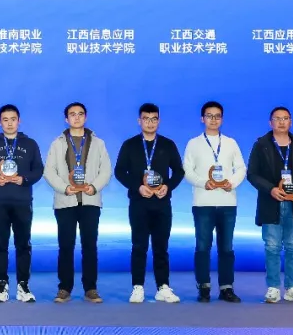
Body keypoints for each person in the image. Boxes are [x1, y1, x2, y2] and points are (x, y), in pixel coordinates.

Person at [114, 102, 184, 303]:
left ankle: (163, 287)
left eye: (154, 119)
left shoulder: (168, 145)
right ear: (139, 121)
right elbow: (120, 171)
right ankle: (138, 287)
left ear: (159, 121)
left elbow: (179, 171)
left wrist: (167, 187)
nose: (150, 123)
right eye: (146, 119)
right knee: (139, 246)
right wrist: (138, 187)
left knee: (161, 247)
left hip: (162, 203)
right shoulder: (130, 145)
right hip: (139, 203)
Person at [247, 107, 293, 304]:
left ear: (291, 122)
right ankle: (273, 287)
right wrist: (270, 189)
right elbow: (252, 174)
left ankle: (292, 287)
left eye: (285, 118)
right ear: (270, 122)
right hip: (271, 203)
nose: (281, 122)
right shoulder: (261, 145)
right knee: (272, 246)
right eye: (277, 119)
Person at [44, 102, 112, 303]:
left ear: (86, 117)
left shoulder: (98, 143)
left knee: (90, 246)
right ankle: (64, 288)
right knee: (66, 246)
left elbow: (106, 170)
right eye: (72, 114)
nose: (76, 117)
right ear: (66, 119)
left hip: (90, 201)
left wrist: (94, 187)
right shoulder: (57, 143)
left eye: (80, 114)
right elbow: (49, 171)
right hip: (66, 201)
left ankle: (90, 288)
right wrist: (64, 187)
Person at [0, 104, 45, 303]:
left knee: (23, 244)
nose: (9, 123)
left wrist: (24, 179)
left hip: (23, 201)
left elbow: (38, 169)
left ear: (19, 121)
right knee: (0, 244)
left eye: (13, 119)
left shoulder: (30, 144)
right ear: (0, 122)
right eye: (5, 120)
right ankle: (1, 284)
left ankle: (23, 285)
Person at [182, 101, 246, 303]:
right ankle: (204, 287)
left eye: (217, 116)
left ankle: (227, 287)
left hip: (227, 202)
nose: (213, 119)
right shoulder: (193, 143)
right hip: (203, 202)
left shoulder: (231, 143)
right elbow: (187, 171)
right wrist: (203, 183)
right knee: (203, 247)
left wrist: (231, 183)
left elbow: (241, 168)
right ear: (202, 119)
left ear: (222, 119)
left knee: (226, 248)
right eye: (209, 116)